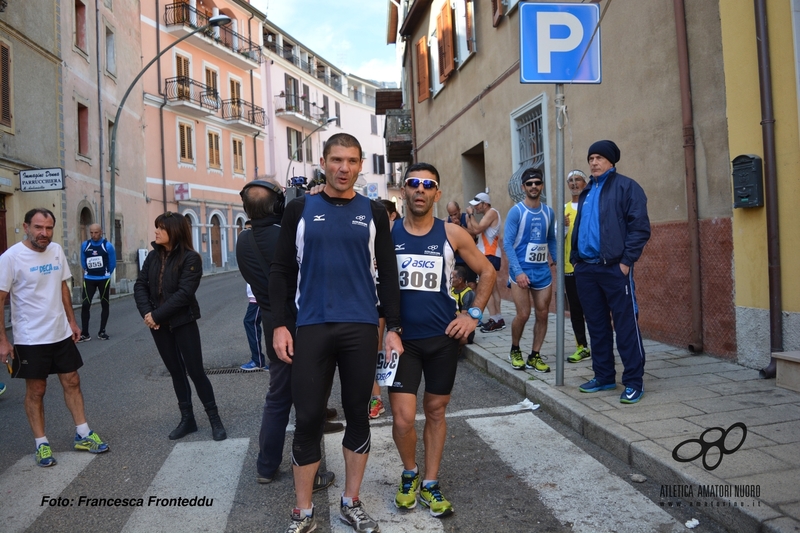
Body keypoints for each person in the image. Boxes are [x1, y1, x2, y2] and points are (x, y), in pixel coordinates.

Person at [271, 133, 402, 533]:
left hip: (360, 327)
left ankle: (351, 501)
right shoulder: (299, 209)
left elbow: (388, 273)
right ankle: (303, 511)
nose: (344, 168)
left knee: (358, 415)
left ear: (360, 165)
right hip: (310, 325)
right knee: (308, 417)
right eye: (337, 160)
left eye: (352, 161)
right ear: (323, 162)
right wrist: (280, 323)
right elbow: (281, 270)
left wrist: (393, 327)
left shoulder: (374, 211)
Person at [390, 163, 495, 518]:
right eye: (413, 183)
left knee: (435, 411)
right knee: (403, 418)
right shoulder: (387, 235)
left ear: (436, 193)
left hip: (441, 340)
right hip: (402, 342)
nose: (420, 189)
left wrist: (473, 315)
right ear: (403, 190)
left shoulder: (452, 234)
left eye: (428, 184)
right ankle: (410, 474)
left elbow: (487, 271)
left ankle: (431, 483)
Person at [234, 179, 335, 491]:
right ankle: (313, 472)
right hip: (305, 323)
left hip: (272, 325)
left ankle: (266, 465)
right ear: (278, 205)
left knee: (277, 398)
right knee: (311, 400)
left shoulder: (243, 241)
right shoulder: (287, 235)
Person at [0, 208, 109, 467]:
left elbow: (62, 286)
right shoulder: (10, 258)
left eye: (49, 228)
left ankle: (83, 434)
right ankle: (42, 444)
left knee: (72, 381)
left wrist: (71, 320)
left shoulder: (56, 250)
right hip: (30, 337)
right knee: (36, 390)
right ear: (26, 227)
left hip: (59, 332)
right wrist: (3, 340)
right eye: (38, 227)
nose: (44, 233)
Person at [570, 140, 651, 404]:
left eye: (599, 158)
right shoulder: (587, 191)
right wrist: (576, 261)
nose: (593, 162)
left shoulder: (627, 187)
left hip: (615, 269)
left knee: (625, 325)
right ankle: (604, 376)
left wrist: (626, 262)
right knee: (597, 325)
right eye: (591, 158)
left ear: (611, 161)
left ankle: (634, 382)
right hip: (587, 270)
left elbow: (639, 228)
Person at [134, 212, 227, 440]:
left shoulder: (190, 258)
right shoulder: (153, 256)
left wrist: (155, 315)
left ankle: (214, 419)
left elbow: (184, 294)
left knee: (195, 371)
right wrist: (148, 314)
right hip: (159, 326)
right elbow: (140, 285)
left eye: (161, 228)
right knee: (176, 371)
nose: (156, 231)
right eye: (156, 227)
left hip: (183, 322)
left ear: (173, 231)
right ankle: (188, 420)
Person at [503, 167, 556, 373]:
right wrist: (517, 272)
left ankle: (535, 355)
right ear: (523, 187)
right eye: (530, 183)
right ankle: (515, 350)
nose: (534, 186)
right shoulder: (517, 211)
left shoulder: (548, 212)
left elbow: (551, 238)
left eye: (537, 183)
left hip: (542, 270)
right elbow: (507, 243)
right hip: (521, 271)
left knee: (542, 314)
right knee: (523, 314)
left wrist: (557, 260)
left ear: (542, 186)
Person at [369, 199, 400, 420]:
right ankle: (375, 399)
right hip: (374, 298)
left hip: (399, 298)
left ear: (392, 216)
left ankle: (401, 394)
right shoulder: (368, 232)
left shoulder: (399, 233)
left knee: (398, 348)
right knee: (375, 348)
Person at [465, 193, 505, 331]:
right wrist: (469, 219)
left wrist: (470, 215)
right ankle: (497, 318)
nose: (475, 207)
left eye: (477, 205)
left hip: (490, 254)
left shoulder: (492, 212)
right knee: (493, 289)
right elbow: (473, 232)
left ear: (485, 204)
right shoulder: (487, 216)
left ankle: (495, 319)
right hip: (489, 254)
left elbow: (476, 229)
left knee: (486, 288)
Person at [564, 170, 591, 363]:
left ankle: (598, 344)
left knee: (594, 308)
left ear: (585, 182)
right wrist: (563, 227)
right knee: (575, 309)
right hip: (569, 267)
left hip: (589, 266)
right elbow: (557, 237)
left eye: (577, 180)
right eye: (570, 181)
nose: (574, 184)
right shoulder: (564, 209)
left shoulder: (590, 204)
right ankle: (581, 346)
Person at [79, 223, 116, 342]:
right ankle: (85, 333)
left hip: (103, 280)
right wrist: (87, 270)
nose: (93, 235)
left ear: (101, 232)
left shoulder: (107, 246)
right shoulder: (85, 245)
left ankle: (102, 331)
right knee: (85, 304)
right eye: (91, 232)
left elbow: (112, 263)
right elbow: (83, 260)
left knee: (104, 304)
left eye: (96, 232)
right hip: (89, 279)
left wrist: (106, 273)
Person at [446, 201, 478, 290]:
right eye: (451, 215)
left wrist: (460, 226)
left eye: (455, 214)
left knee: (471, 284)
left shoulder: (466, 218)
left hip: (468, 258)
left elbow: (473, 235)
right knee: (455, 284)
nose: (453, 217)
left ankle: (472, 303)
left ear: (459, 210)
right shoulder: (446, 221)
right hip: (455, 259)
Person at [240, 283, 268, 371]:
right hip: (257, 295)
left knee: (250, 322)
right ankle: (259, 360)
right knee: (251, 322)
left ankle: (258, 360)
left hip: (259, 296)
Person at [450, 265, 476, 346]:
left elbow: (463, 317)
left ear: (460, 279)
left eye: (452, 277)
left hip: (464, 329)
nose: (450, 280)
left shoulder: (468, 294)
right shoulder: (451, 290)